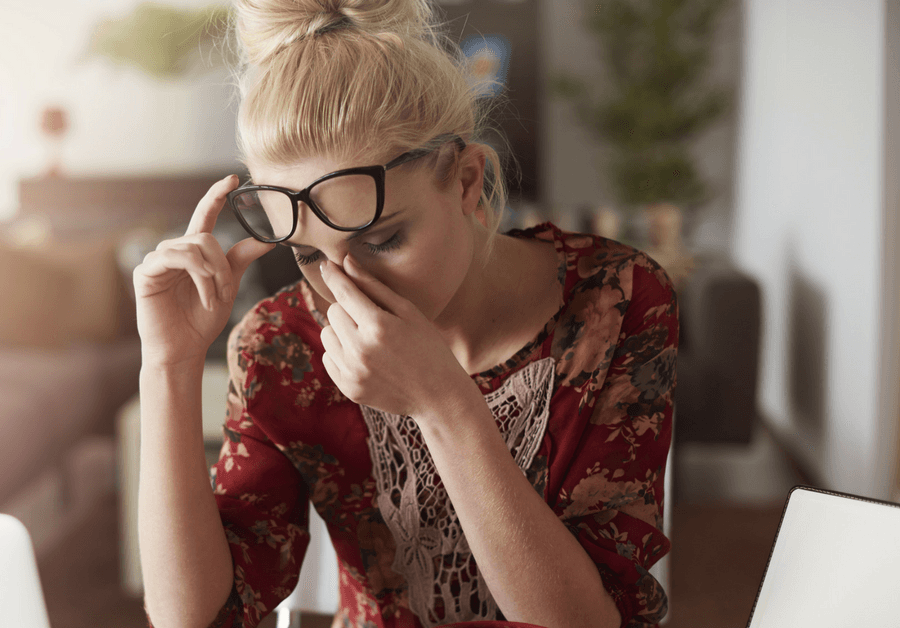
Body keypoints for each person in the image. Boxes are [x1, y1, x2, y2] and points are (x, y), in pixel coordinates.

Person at [132, 1, 677, 627]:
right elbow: (193, 617)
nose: (347, 288)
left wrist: (444, 404)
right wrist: (167, 366)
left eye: (382, 239)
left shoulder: (615, 300)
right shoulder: (283, 343)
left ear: (468, 181)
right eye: (308, 254)